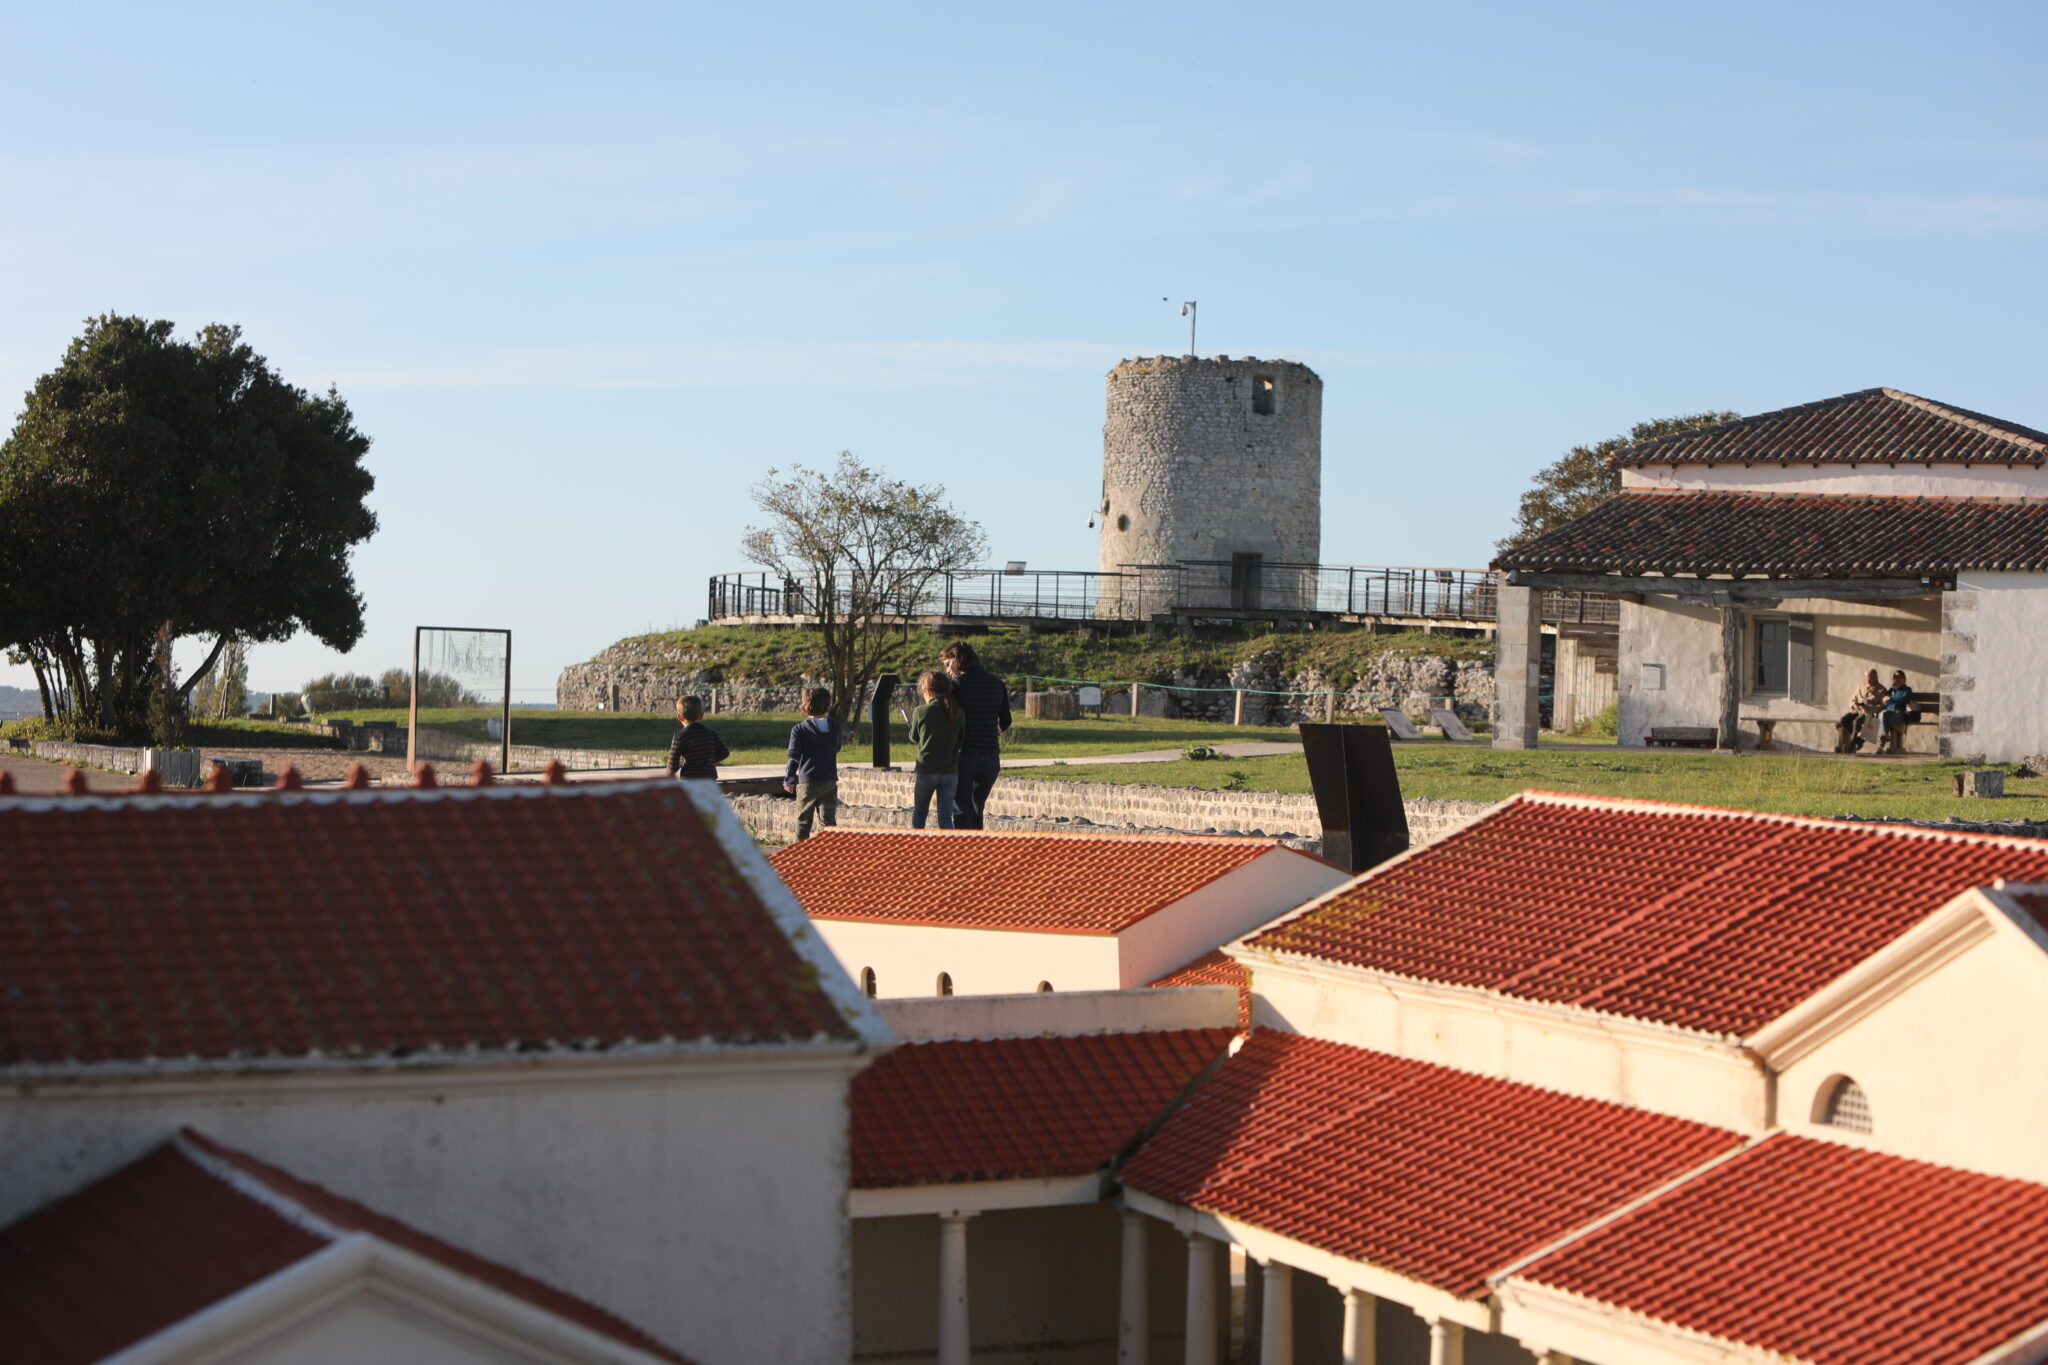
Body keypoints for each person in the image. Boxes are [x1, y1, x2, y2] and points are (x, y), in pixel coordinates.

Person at [941, 641, 1011, 829]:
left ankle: (964, 853)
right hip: (991, 756)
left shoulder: (955, 686)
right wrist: (993, 731)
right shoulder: (997, 683)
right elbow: (1006, 721)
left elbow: (950, 720)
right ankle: (978, 850)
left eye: (948, 664)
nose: (947, 671)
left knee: (962, 810)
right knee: (976, 807)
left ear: (958, 659)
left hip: (965, 754)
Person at [783, 686, 848, 840]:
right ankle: (830, 856)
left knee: (803, 822)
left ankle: (799, 855)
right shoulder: (836, 727)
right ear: (829, 706)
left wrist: (790, 778)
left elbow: (794, 756)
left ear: (804, 709)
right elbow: (837, 748)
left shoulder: (799, 729)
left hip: (807, 782)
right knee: (828, 823)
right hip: (829, 780)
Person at [909, 669, 964, 829]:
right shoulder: (959, 713)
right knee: (946, 818)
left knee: (920, 814)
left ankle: (916, 848)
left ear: (927, 691)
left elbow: (914, 738)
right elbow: (961, 741)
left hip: (927, 770)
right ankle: (950, 849)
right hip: (950, 772)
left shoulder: (921, 711)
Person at [666, 695, 729, 781]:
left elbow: (673, 764)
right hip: (709, 779)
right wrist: (708, 760)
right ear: (702, 715)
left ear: (679, 717)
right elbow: (724, 752)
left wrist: (668, 774)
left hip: (690, 779)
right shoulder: (710, 733)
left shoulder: (680, 736)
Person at [1840, 667, 1886, 753]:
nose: (1868, 682)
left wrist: (1869, 708)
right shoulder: (1861, 686)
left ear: (1876, 678)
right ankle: (1857, 740)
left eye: (1870, 679)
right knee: (1843, 720)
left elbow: (1883, 706)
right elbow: (1853, 699)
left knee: (1857, 722)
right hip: (1857, 711)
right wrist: (1854, 705)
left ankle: (1852, 746)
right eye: (1867, 679)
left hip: (1869, 714)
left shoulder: (1881, 690)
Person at [1876, 669, 1917, 753]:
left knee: (1884, 716)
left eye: (1898, 677)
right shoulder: (1891, 690)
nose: (1896, 678)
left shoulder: (1907, 689)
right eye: (1895, 677)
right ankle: (1885, 736)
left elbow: (1903, 698)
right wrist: (1891, 699)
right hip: (1889, 713)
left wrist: (1891, 698)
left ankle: (1882, 742)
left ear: (1904, 679)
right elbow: (1885, 702)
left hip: (1900, 713)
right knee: (1883, 714)